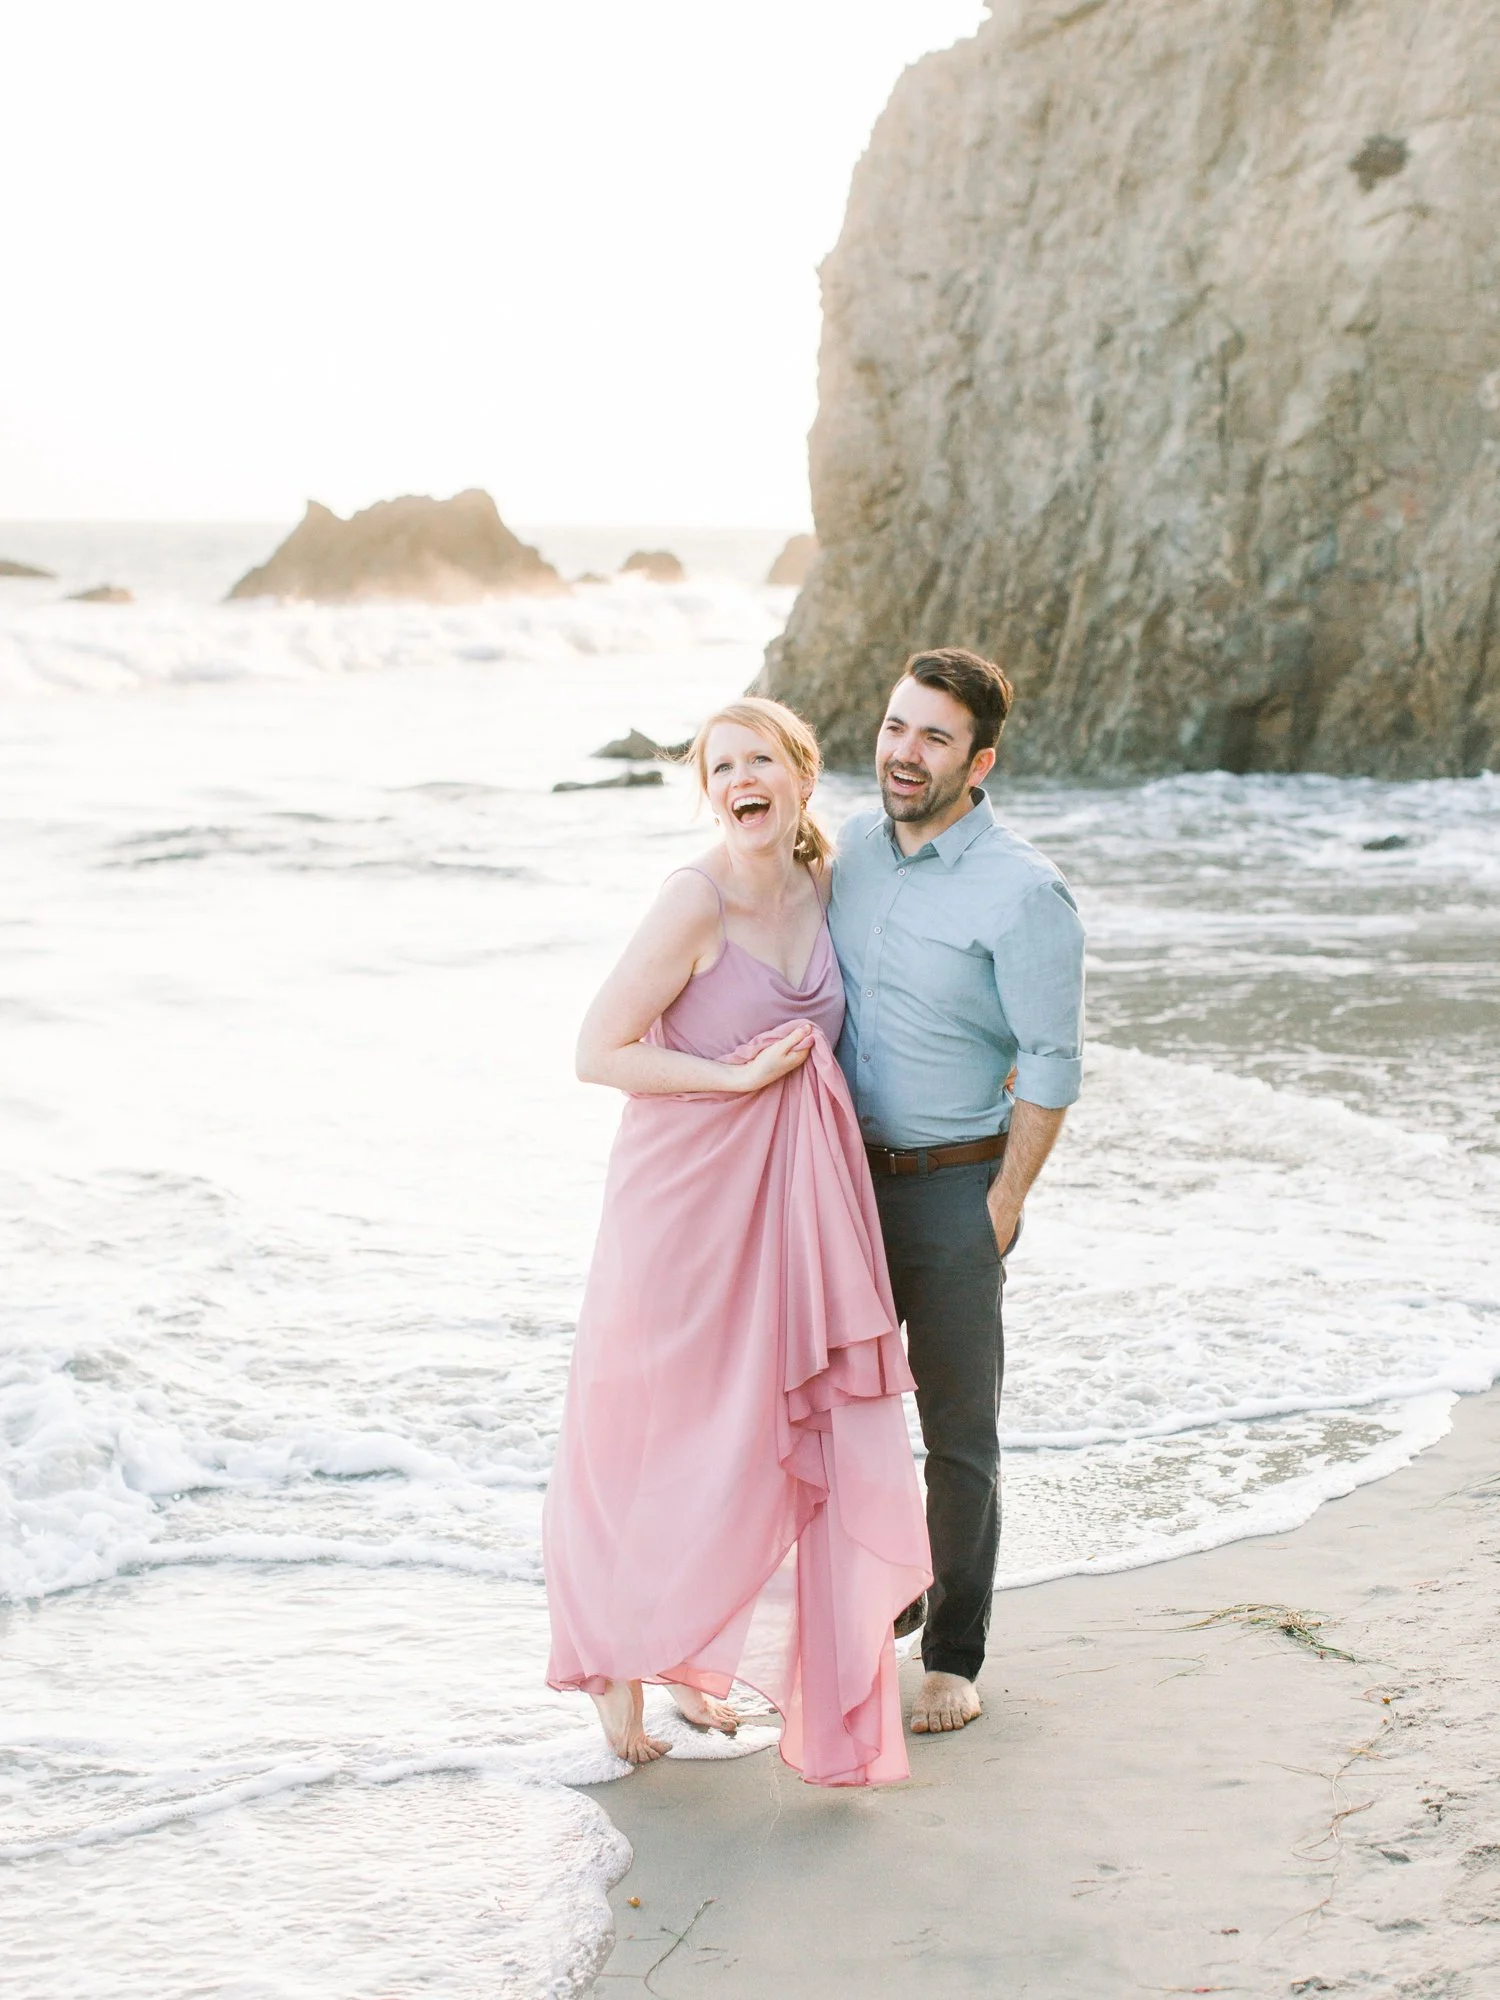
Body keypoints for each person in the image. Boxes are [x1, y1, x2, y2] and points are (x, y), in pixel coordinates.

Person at [544, 696, 931, 1786]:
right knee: (654, 1431)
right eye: (720, 766)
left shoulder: (823, 884)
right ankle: (613, 1666)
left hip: (785, 1214)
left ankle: (687, 1657)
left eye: (760, 759)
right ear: (706, 787)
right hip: (681, 1203)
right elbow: (596, 1051)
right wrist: (731, 1077)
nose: (739, 780)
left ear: (801, 775)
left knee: (744, 1437)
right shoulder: (692, 898)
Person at [829, 648, 1086, 1737]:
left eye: (934, 736)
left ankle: (951, 1652)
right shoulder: (846, 850)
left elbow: (1054, 1060)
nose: (905, 752)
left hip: (953, 1187)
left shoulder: (1025, 892)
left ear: (978, 761)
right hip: (835, 1185)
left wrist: (1003, 1203)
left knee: (958, 1432)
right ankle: (866, 1604)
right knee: (832, 1413)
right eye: (896, 726)